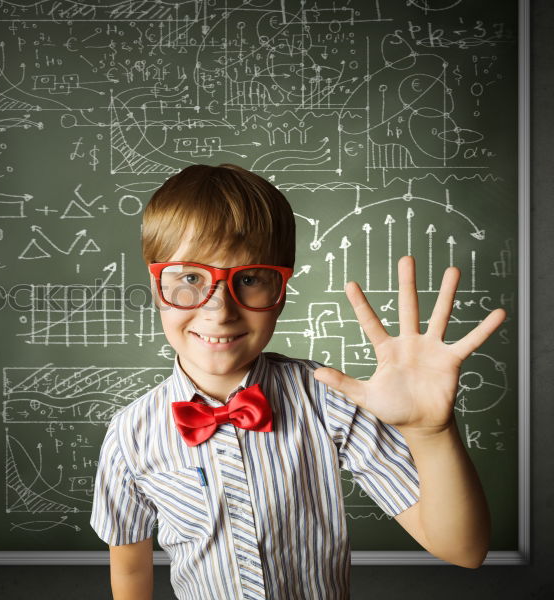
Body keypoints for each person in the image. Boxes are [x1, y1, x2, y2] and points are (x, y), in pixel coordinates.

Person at [88, 163, 506, 599]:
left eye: (249, 279)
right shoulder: (129, 434)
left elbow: (463, 549)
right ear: (157, 286)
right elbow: (132, 572)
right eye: (190, 278)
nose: (220, 310)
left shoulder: (326, 397)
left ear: (281, 290)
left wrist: (431, 432)